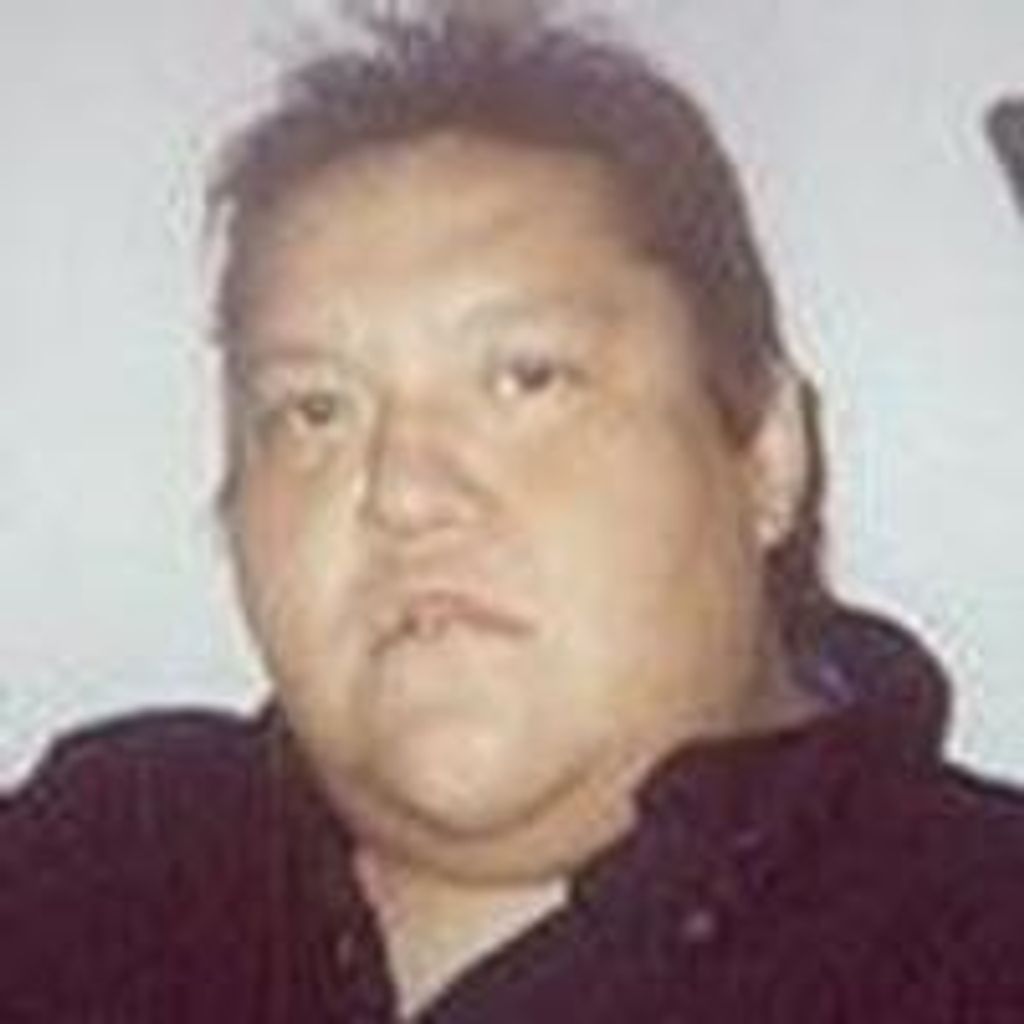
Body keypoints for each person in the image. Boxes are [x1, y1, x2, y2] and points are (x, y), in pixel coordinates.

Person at [3, 6, 1024, 1021]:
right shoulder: (98, 857)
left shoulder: (983, 944)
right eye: (314, 410)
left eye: (527, 378)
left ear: (766, 451)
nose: (400, 490)